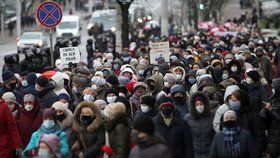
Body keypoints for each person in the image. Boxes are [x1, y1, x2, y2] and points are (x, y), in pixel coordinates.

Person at [184, 92, 215, 158]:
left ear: (205, 104)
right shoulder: (187, 118)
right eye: (197, 104)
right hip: (194, 153)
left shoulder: (212, 115)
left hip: (210, 152)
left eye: (201, 104)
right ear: (194, 106)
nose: (199, 106)